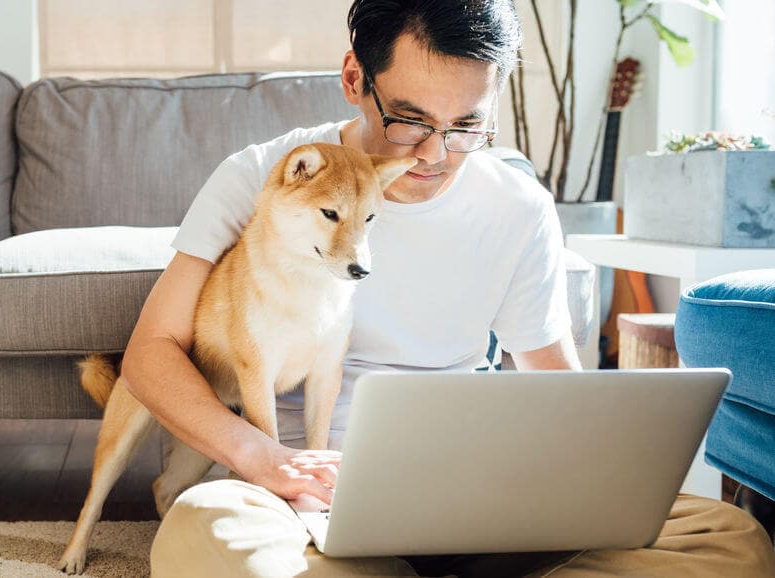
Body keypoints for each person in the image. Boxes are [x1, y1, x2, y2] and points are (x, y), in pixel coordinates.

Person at [121, 1, 775, 575]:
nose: (434, 155)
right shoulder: (265, 176)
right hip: (307, 494)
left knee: (729, 539)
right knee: (207, 534)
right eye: (409, 120)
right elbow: (152, 351)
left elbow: (553, 378)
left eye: (467, 126)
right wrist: (261, 458)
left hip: (477, 491)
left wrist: (589, 490)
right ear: (354, 78)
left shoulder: (518, 207)